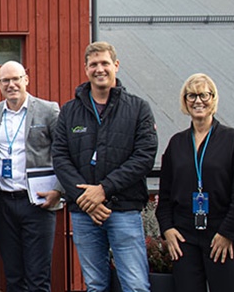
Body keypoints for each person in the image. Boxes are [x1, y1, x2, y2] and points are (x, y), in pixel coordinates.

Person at [53, 42, 158, 292]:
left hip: (124, 210)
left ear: (116, 66)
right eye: (93, 64)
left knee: (135, 285)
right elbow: (60, 156)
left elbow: (144, 157)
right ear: (86, 69)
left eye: (105, 63)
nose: (99, 69)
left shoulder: (138, 109)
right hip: (84, 212)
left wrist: (103, 190)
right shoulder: (70, 111)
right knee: (95, 284)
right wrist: (84, 198)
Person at [156, 74, 234, 292]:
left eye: (204, 95)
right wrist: (168, 229)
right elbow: (165, 194)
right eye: (192, 95)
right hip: (185, 237)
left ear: (213, 99)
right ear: (185, 101)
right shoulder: (177, 143)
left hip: (222, 234)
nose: (198, 101)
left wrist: (227, 232)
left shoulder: (232, 140)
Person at [0, 62, 63, 292]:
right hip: (4, 202)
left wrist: (59, 191)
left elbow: (63, 154)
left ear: (26, 79)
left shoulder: (48, 110)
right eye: (5, 81)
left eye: (16, 78)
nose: (12, 85)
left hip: (38, 201)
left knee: (37, 277)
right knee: (13, 275)